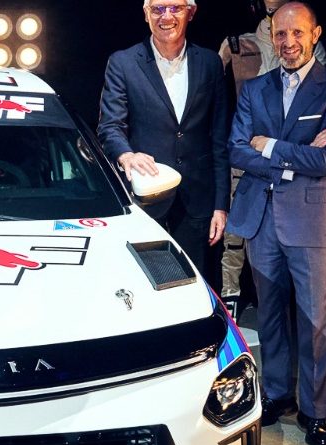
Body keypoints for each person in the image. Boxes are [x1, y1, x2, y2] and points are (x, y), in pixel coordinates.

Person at [225, 1, 326, 445]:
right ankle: (278, 395)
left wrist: (269, 146)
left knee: (316, 322)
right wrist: (291, 154)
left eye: (297, 33)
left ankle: (315, 414)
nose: (288, 42)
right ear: (271, 36)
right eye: (281, 34)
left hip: (311, 224)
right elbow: (236, 150)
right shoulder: (254, 89)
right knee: (271, 317)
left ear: (315, 34)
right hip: (262, 220)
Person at [98, 0, 231, 276]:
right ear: (145, 14)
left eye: (175, 8)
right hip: (145, 198)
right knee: (147, 281)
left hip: (198, 200)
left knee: (198, 282)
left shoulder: (210, 63)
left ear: (191, 12)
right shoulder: (123, 63)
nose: (166, 16)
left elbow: (219, 138)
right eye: (158, 9)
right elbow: (110, 126)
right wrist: (126, 154)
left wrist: (221, 205)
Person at [216, 0, 326, 319]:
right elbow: (210, 96)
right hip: (247, 150)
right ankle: (230, 295)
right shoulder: (236, 44)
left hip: (287, 153)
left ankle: (280, 306)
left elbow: (322, 96)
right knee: (236, 231)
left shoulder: (307, 45)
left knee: (286, 233)